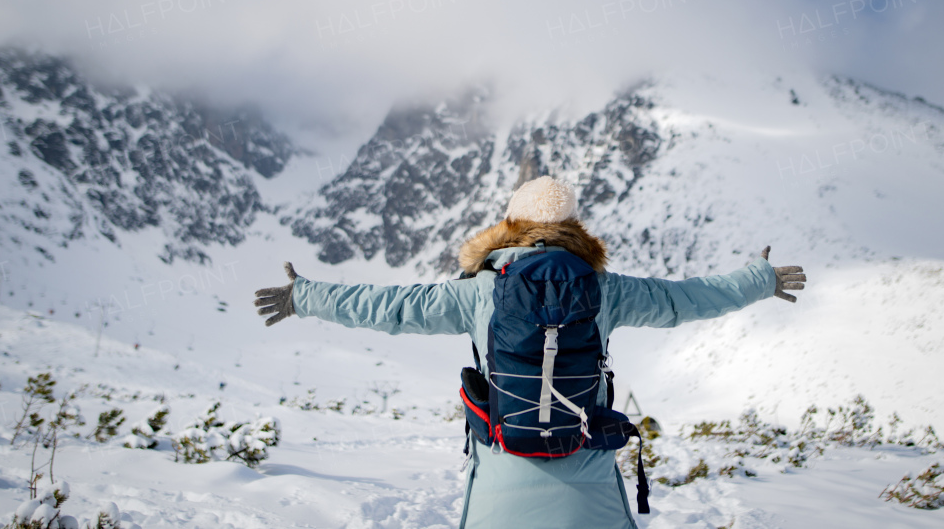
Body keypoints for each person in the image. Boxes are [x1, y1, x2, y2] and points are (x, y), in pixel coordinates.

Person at [255, 175, 806, 528]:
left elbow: (392, 306)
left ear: (509, 227)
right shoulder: (604, 289)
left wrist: (306, 295)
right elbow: (684, 298)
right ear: (575, 228)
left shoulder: (477, 289)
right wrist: (758, 279)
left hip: (500, 479)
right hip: (587, 480)